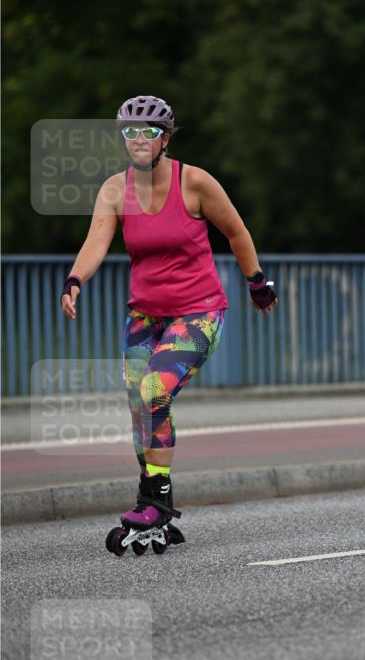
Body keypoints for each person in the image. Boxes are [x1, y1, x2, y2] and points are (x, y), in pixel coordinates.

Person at [60, 95, 277, 543]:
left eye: (149, 132)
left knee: (154, 389)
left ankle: (154, 497)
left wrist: (256, 281)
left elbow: (235, 231)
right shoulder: (115, 189)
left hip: (198, 311)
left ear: (166, 139)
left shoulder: (195, 183)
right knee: (141, 406)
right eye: (130, 133)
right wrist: (74, 279)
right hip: (144, 314)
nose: (139, 141)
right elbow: (96, 241)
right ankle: (154, 500)